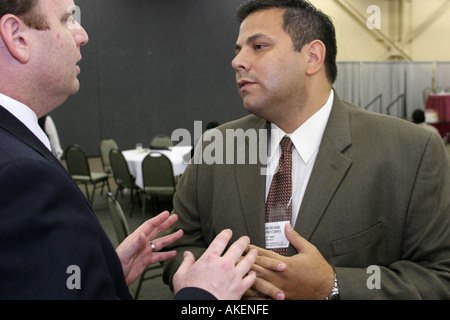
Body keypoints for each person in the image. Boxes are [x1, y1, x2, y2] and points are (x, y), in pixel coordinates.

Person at [162, 0, 450, 299]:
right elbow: (177, 247)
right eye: (238, 50)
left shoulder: (411, 152)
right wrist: (223, 282)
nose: (237, 61)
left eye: (258, 46)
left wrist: (332, 286)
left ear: (312, 57)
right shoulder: (215, 147)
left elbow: (439, 276)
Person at [0, 0, 256, 300]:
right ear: (17, 37)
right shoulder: (21, 175)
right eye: (68, 18)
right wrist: (204, 296)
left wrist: (100, 272)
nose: (82, 34)